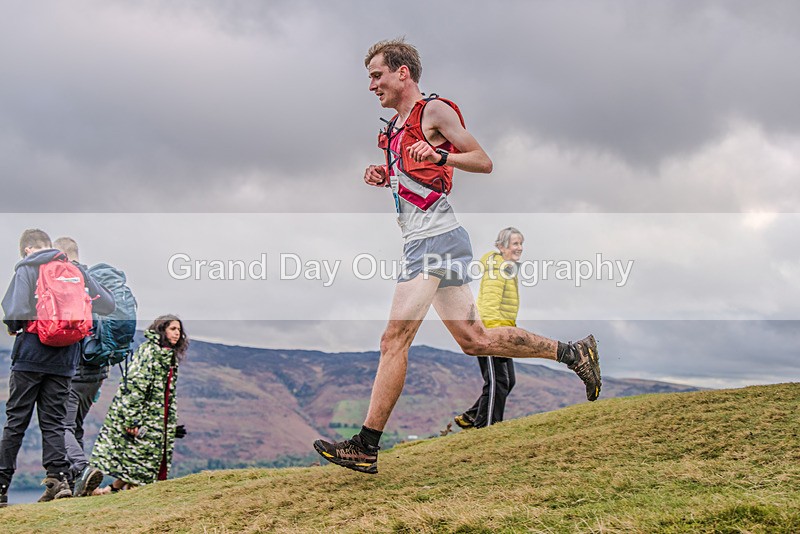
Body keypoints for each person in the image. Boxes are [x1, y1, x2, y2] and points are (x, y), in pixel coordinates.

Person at [313, 39, 601, 474]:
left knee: (394, 339)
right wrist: (384, 175)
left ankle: (366, 445)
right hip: (425, 239)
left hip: (435, 237)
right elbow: (412, 176)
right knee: (475, 340)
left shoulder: (435, 111)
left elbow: (483, 161)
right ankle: (573, 353)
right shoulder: (393, 127)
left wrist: (441, 152)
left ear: (403, 72)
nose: (372, 85)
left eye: (377, 75)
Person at [0, 229, 114, 506]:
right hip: (65, 360)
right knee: (53, 422)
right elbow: (108, 305)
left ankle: (1, 488)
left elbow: (13, 312)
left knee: (16, 422)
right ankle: (58, 482)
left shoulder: (27, 269)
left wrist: (17, 329)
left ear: (27, 249)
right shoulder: (74, 270)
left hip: (30, 355)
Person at [90, 315, 188, 492]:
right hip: (143, 418)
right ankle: (109, 490)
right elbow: (136, 387)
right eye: (173, 329)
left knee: (140, 461)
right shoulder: (150, 353)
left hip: (155, 419)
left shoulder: (167, 356)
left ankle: (112, 490)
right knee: (140, 459)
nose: (177, 334)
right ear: (161, 329)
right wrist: (132, 420)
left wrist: (169, 427)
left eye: (179, 330)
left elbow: (165, 394)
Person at [52, 237, 110, 497]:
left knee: (61, 424)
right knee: (74, 426)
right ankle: (79, 485)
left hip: (73, 367)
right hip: (97, 371)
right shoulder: (90, 277)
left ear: (60, 253)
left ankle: (81, 468)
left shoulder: (64, 277)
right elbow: (110, 306)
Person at [455, 228, 524, 430]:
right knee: (497, 381)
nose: (519, 248)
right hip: (491, 333)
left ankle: (472, 416)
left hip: (502, 331)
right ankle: (487, 427)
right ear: (501, 246)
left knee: (508, 381)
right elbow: (490, 304)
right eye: (514, 244)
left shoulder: (506, 268)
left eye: (521, 243)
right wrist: (493, 336)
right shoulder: (497, 269)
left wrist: (510, 330)